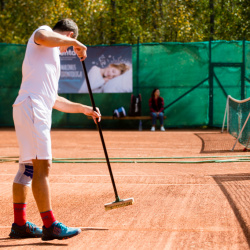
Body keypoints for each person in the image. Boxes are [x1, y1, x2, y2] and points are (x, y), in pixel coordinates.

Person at [10, 18, 101, 241]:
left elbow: (55, 100)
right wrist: (77, 43)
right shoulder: (44, 33)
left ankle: (20, 225)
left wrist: (85, 109)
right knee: (43, 166)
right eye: (70, 44)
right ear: (69, 35)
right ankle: (50, 225)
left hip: (29, 106)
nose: (67, 49)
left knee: (27, 169)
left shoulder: (51, 59)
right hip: (32, 107)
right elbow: (43, 37)